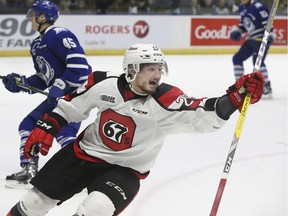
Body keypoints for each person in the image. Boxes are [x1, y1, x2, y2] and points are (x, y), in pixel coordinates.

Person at [6, 43, 264, 216]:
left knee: (96, 208)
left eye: (159, 68)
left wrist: (235, 97)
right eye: (150, 68)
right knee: (34, 203)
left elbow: (202, 113)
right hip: (82, 155)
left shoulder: (166, 100)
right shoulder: (103, 83)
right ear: (131, 70)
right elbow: (72, 107)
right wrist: (48, 125)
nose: (156, 74)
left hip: (125, 170)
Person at [2, 0, 91, 189]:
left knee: (64, 132)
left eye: (33, 15)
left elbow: (81, 67)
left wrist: (61, 85)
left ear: (43, 16)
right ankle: (29, 168)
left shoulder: (60, 34)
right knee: (29, 125)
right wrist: (22, 83)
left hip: (75, 95)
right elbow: (44, 78)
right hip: (60, 96)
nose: (30, 19)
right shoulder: (36, 44)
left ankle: (85, 173)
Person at [230, 0, 273, 96]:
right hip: (252, 39)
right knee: (237, 58)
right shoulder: (242, 7)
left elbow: (268, 23)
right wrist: (238, 32)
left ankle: (266, 85)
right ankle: (240, 85)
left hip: (261, 39)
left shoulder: (259, 6)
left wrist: (269, 34)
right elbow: (243, 24)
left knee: (257, 61)